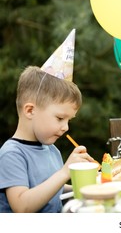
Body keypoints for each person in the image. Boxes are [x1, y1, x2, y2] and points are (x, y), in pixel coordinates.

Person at [0, 30, 96, 213]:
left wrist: (85, 188)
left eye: (69, 120)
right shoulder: (12, 154)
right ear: (30, 110)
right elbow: (22, 206)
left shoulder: (51, 150)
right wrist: (64, 172)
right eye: (60, 118)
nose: (66, 127)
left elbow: (53, 191)